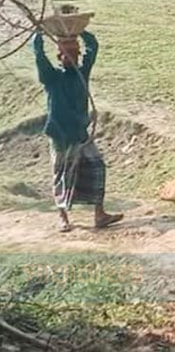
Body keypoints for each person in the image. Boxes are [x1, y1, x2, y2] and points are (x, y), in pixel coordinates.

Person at [32, 30, 123, 233]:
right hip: (60, 135)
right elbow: (38, 54)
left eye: (73, 55)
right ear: (60, 58)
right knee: (61, 175)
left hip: (80, 133)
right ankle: (63, 218)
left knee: (97, 166)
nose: (70, 58)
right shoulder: (51, 77)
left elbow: (93, 46)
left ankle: (99, 215)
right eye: (65, 55)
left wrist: (79, 31)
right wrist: (39, 33)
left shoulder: (83, 72)